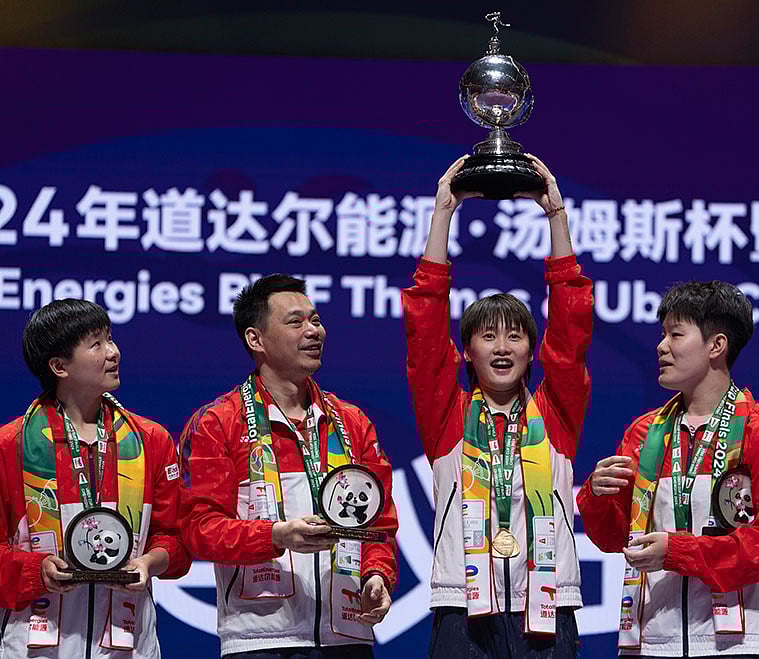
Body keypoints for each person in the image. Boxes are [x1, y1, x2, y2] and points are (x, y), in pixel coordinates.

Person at [402, 155, 593, 658]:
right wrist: (443, 213)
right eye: (488, 336)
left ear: (533, 350)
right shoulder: (447, 417)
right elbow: (423, 328)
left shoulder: (555, 414)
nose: (503, 347)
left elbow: (571, 333)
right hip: (462, 611)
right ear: (467, 350)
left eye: (515, 336)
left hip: (546, 610)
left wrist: (556, 217)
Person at [577, 280, 759, 659]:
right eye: (662, 334)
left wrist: (679, 552)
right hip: (653, 639)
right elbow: (615, 539)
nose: (661, 346)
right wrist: (598, 496)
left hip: (741, 641)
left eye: (676, 334)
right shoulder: (645, 433)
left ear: (717, 346)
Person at [178, 274, 398, 659]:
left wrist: (376, 574)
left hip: (347, 637)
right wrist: (276, 536)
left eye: (315, 320)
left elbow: (378, 524)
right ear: (255, 339)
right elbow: (199, 529)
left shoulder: (352, 422)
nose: (314, 330)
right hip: (259, 640)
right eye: (296, 322)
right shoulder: (219, 422)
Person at [0, 298, 191, 657]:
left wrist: (151, 562)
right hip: (34, 646)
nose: (114, 352)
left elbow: (177, 541)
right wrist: (35, 570)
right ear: (59, 366)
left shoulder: (151, 440)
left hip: (129, 645)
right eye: (97, 344)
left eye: (111, 339)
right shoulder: (11, 445)